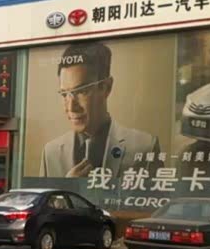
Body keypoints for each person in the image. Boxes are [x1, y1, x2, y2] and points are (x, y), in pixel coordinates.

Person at [39, 42, 161, 178]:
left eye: (81, 91)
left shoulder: (145, 147)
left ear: (106, 87)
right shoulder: (50, 153)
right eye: (64, 94)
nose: (71, 107)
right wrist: (68, 187)